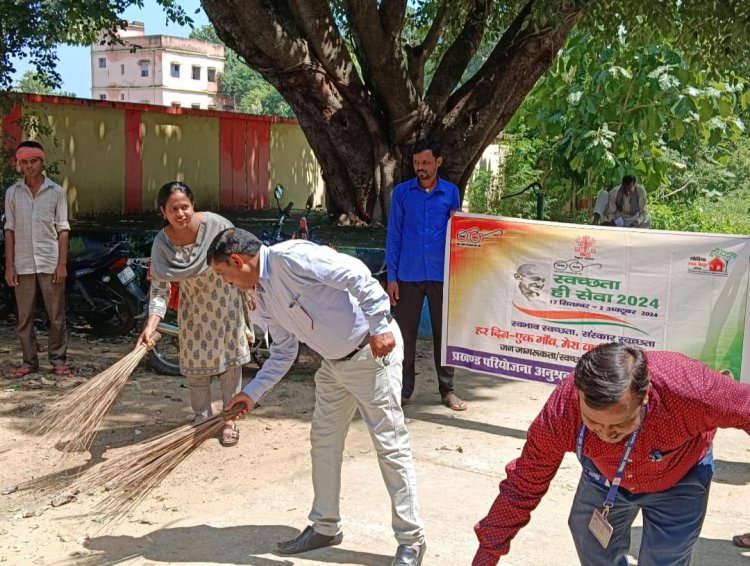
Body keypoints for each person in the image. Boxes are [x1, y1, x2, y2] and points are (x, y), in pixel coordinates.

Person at [207, 228, 427, 566]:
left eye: (224, 274)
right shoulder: (259, 297)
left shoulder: (290, 257)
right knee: (323, 442)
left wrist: (380, 324)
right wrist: (250, 394)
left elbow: (355, 273)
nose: (227, 283)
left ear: (237, 261)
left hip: (370, 354)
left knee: (390, 445)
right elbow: (283, 351)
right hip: (333, 366)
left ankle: (411, 540)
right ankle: (325, 526)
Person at [473, 342, 750, 566]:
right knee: (591, 545)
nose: (606, 434)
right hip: (602, 478)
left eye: (620, 425)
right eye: (593, 424)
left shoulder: (691, 390)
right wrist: (487, 555)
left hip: (682, 477)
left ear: (645, 397)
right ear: (579, 396)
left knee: (666, 559)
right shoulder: (562, 411)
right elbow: (523, 485)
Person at [136, 181, 253, 447]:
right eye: (173, 209)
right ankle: (201, 419)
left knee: (230, 365)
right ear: (163, 211)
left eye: (185, 207)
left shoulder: (217, 227)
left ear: (193, 206)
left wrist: (250, 290)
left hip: (226, 304)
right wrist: (151, 325)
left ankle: (230, 420)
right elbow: (159, 290)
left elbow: (243, 258)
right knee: (196, 369)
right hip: (193, 311)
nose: (180, 214)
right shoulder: (162, 244)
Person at [385, 139, 465, 411]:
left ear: (438, 162)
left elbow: (458, 233)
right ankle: (403, 390)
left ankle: (447, 390)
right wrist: (392, 277)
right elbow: (393, 235)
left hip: (442, 275)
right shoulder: (401, 194)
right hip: (408, 275)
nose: (421, 168)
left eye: (426, 163)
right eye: (417, 163)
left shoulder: (451, 193)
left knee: (445, 334)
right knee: (404, 336)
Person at [3, 140, 71, 380]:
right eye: (25, 162)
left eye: (34, 161)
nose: (30, 166)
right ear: (19, 165)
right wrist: (9, 266)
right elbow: (9, 230)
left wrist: (62, 264)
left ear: (42, 162)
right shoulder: (13, 193)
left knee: (56, 316)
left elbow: (63, 229)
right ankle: (29, 361)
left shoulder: (56, 192)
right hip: (22, 263)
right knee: (24, 317)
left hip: (50, 261)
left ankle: (58, 360)